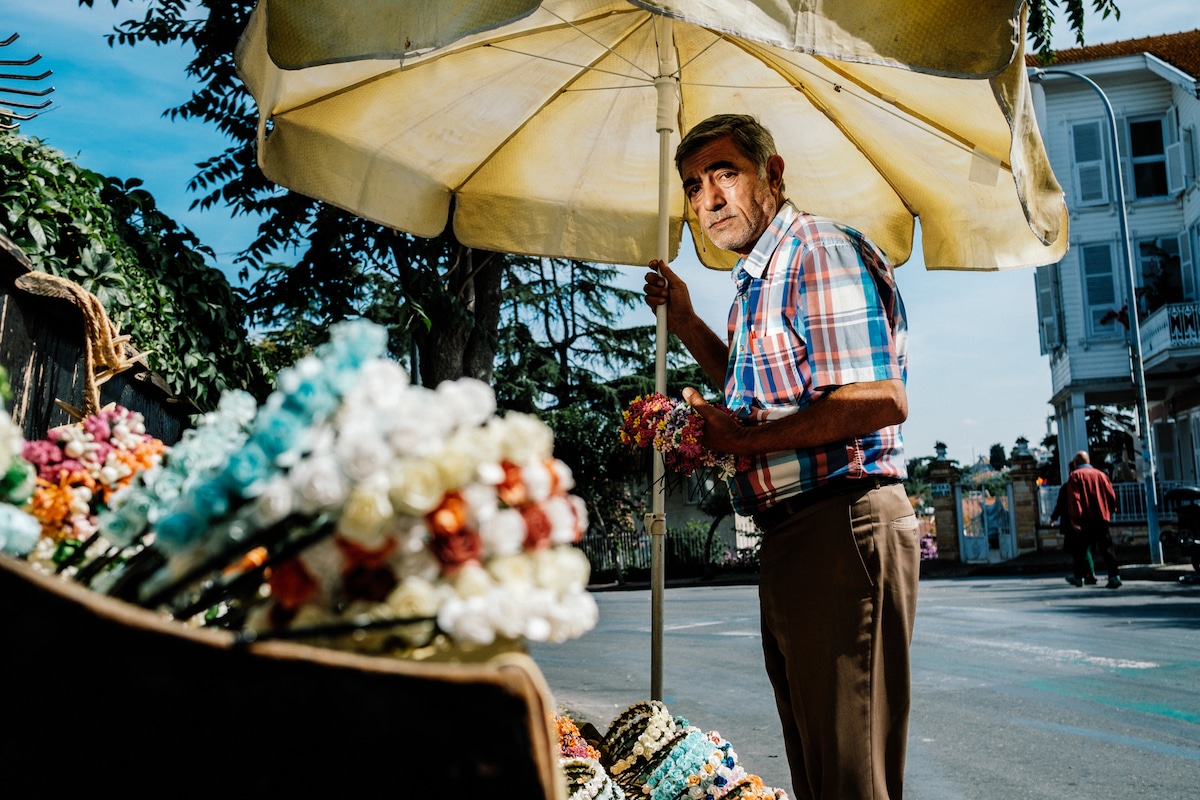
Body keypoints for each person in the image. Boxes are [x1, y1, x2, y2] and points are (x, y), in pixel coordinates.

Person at [643, 114, 917, 800]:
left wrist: (742, 439)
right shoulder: (756, 280)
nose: (707, 199)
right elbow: (749, 387)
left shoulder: (814, 249)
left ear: (773, 173)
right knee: (819, 768)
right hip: (796, 534)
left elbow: (881, 399)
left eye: (725, 174)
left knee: (851, 776)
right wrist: (686, 320)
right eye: (693, 185)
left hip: (842, 522)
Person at [1063, 450, 1122, 588]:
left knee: (1080, 550)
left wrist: (1075, 518)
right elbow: (1111, 495)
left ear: (1076, 462)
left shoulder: (1075, 476)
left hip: (1085, 518)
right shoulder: (1101, 475)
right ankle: (1114, 576)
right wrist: (1111, 511)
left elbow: (1075, 498)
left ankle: (1079, 577)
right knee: (1107, 548)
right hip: (1101, 516)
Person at [1050, 469, 1097, 586]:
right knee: (1085, 550)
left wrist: (1053, 518)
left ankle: (1083, 575)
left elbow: (1060, 505)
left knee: (1079, 551)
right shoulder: (1087, 485)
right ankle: (1086, 574)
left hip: (1072, 524)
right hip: (1087, 522)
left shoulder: (1067, 487)